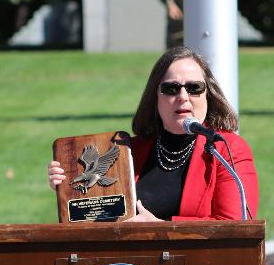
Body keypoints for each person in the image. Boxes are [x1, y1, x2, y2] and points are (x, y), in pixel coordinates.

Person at [49, 46, 259, 221]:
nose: (183, 96)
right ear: (155, 97)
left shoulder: (227, 149)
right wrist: (68, 185)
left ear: (208, 95)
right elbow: (95, 215)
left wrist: (160, 228)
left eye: (194, 87)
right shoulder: (126, 152)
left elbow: (235, 226)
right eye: (171, 88)